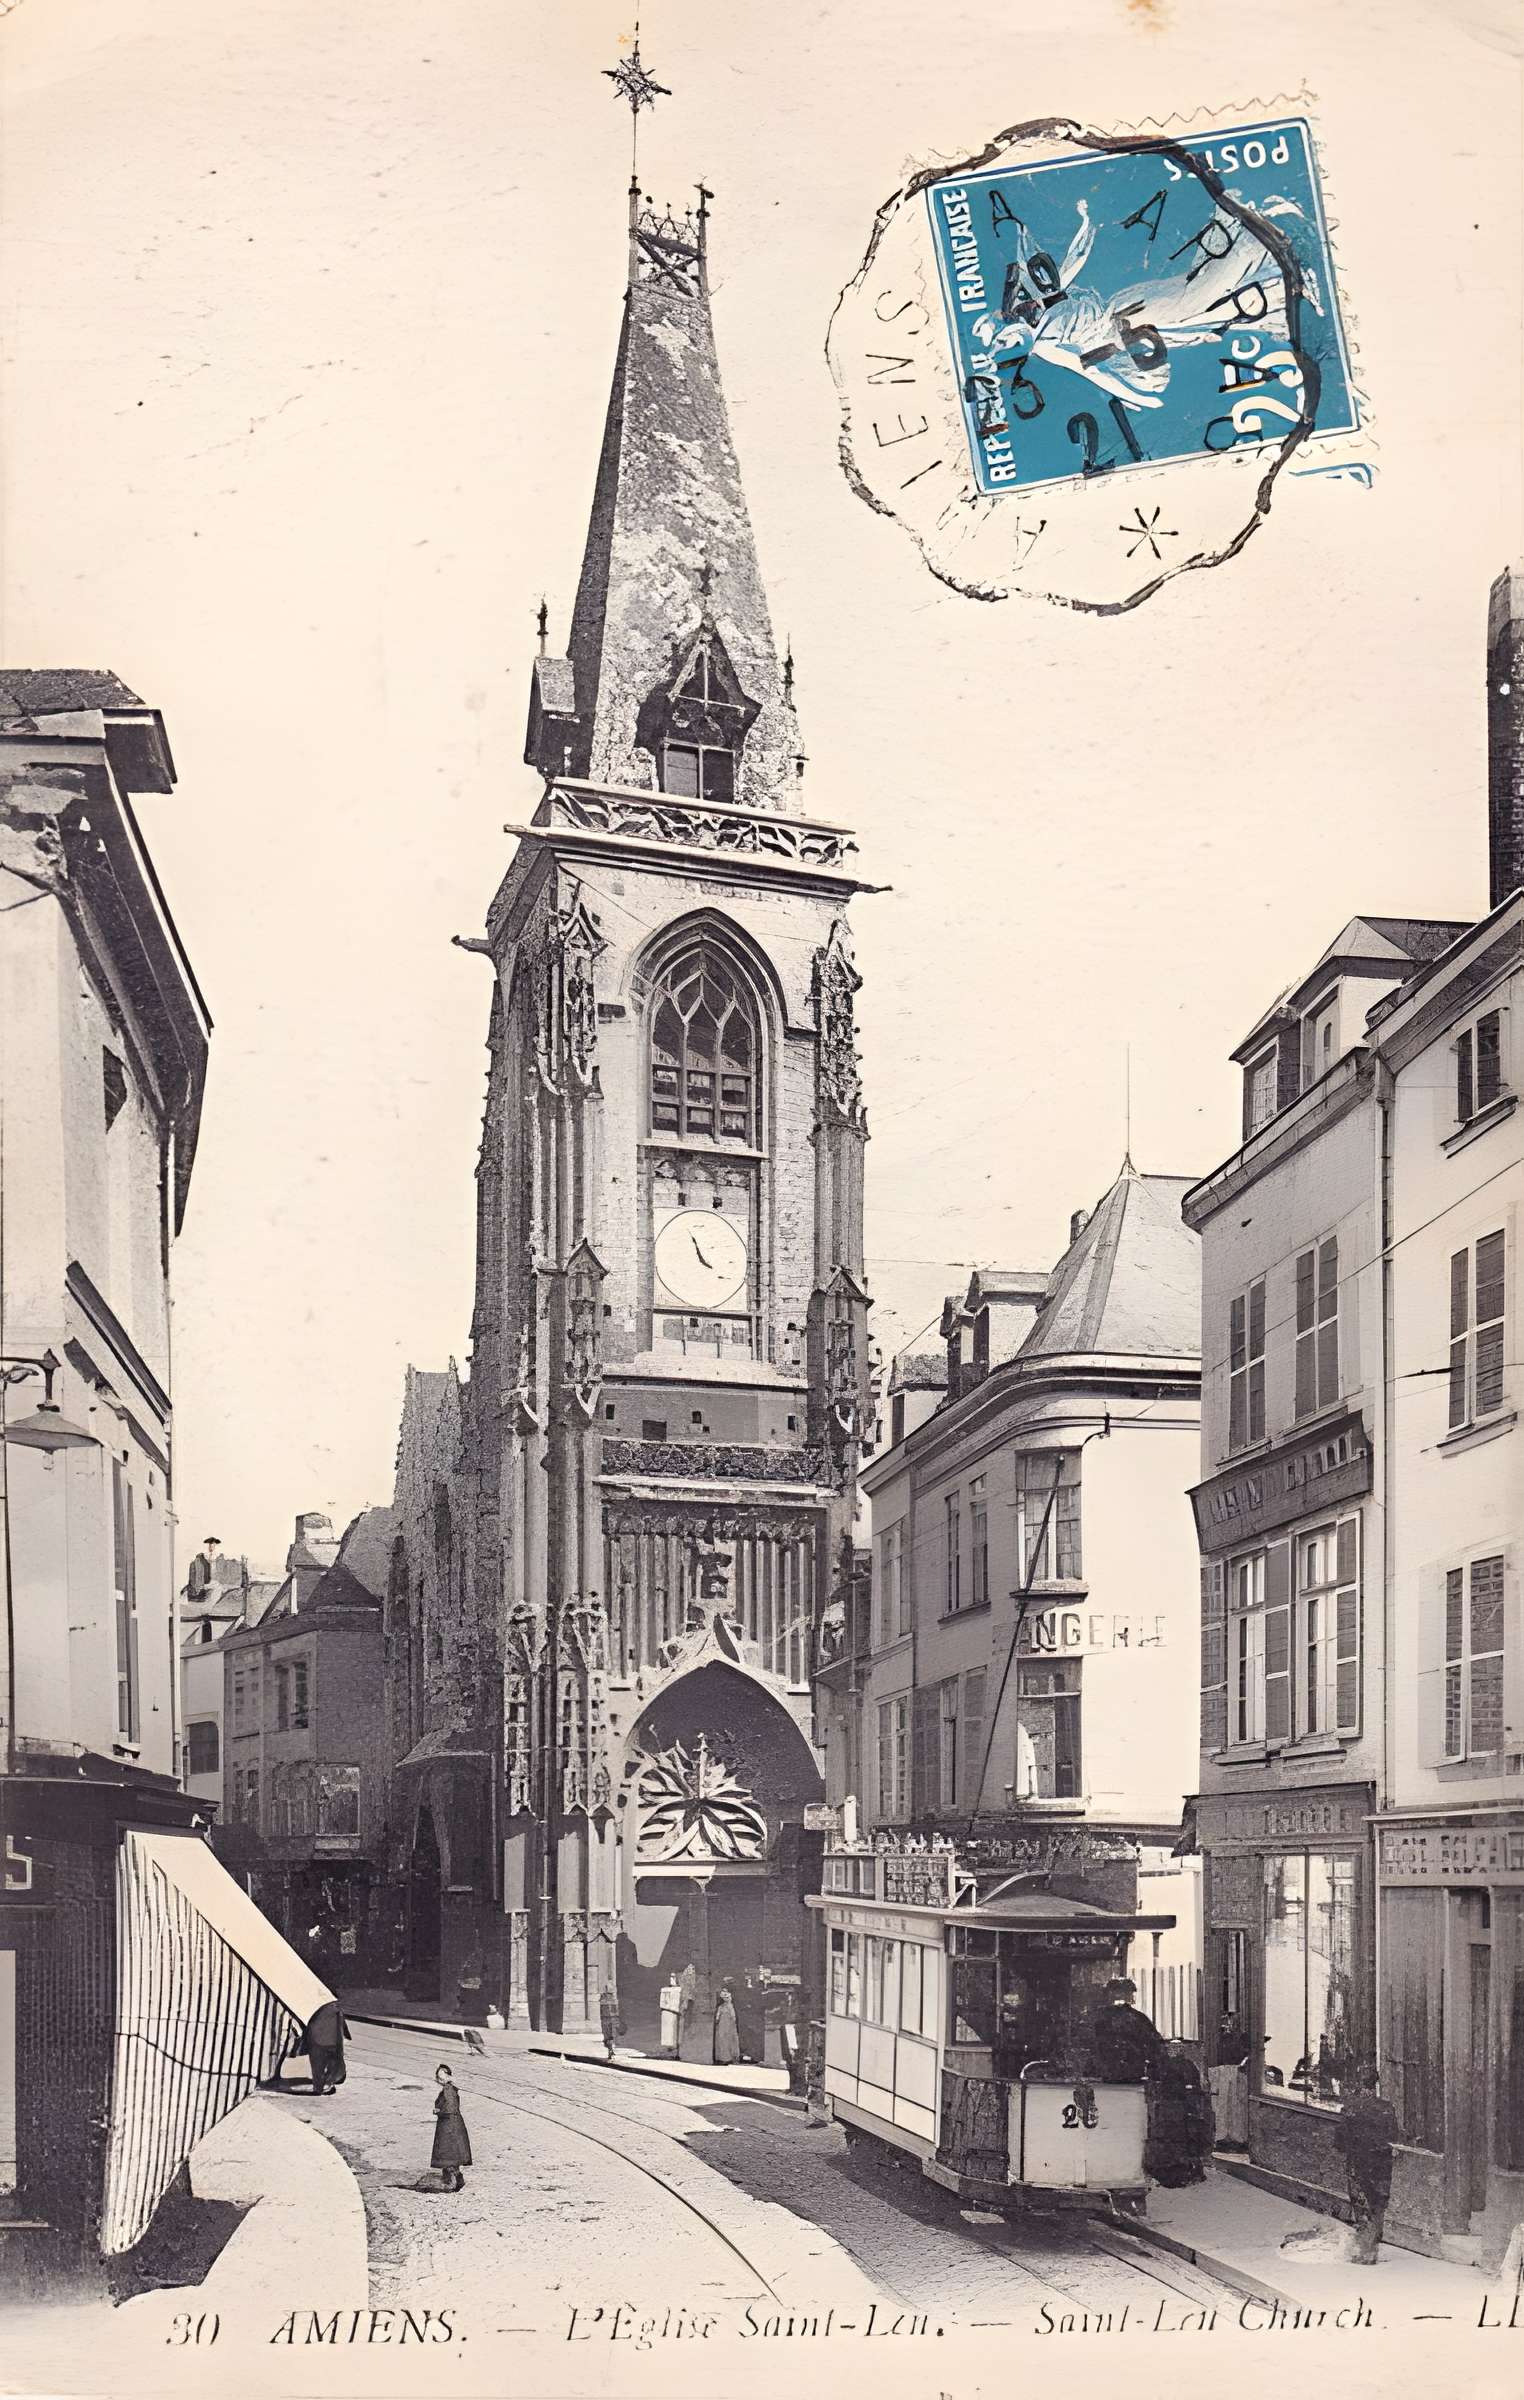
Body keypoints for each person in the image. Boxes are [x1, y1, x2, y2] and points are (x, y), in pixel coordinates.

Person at [1333, 2063, 1400, 2264]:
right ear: (1375, 2082)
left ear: (1358, 2083)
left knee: (1361, 2204)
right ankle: (1373, 2247)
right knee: (1379, 2203)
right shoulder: (1387, 2108)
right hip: (1381, 2162)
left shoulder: (1350, 2108)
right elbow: (1393, 2135)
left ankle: (1365, 2250)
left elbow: (1339, 2142)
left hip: (1358, 2161)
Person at [1145, 2044, 1214, 2187]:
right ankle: (1182, 2171)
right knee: (1180, 2139)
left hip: (1174, 2107)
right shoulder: (1184, 2065)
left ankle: (1177, 2171)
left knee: (1175, 2138)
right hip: (1177, 2107)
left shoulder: (1173, 2065)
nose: (1174, 2051)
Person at [1087, 1977, 1167, 2084]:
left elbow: (1155, 2046)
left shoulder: (1097, 2017)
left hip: (1113, 2074)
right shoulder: (1138, 2018)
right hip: (1124, 2074)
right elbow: (1156, 2046)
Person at [431, 2062, 472, 2193]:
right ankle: (458, 2180)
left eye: (442, 2076)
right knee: (453, 2154)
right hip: (453, 2124)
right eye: (439, 2077)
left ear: (449, 2076)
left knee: (447, 2153)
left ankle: (453, 2182)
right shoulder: (451, 2088)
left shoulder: (448, 2090)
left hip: (448, 2126)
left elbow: (449, 2108)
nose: (440, 2079)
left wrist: (438, 2111)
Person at [305, 1999, 347, 2096]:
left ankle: (318, 2088)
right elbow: (341, 2026)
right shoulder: (337, 2011)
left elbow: (309, 2024)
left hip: (317, 2041)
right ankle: (327, 2085)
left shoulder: (315, 2008)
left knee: (317, 2067)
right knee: (331, 2065)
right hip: (331, 2043)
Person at [713, 1980, 741, 2066]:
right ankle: (723, 2057)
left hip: (728, 2024)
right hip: (723, 2024)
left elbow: (733, 2017)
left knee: (728, 2039)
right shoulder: (722, 2007)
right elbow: (718, 2017)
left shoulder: (729, 2006)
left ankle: (729, 2057)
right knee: (723, 2039)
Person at [678, 1961, 697, 2059]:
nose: (691, 1971)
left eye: (693, 1969)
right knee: (684, 2023)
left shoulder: (692, 1979)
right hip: (686, 2002)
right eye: (689, 1969)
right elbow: (685, 1992)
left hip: (690, 2002)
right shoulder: (685, 1979)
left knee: (689, 2024)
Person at [599, 1984, 619, 2061]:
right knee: (609, 2036)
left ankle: (610, 2051)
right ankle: (610, 2051)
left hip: (607, 2020)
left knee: (609, 2036)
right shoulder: (612, 2000)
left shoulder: (604, 2000)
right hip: (608, 2020)